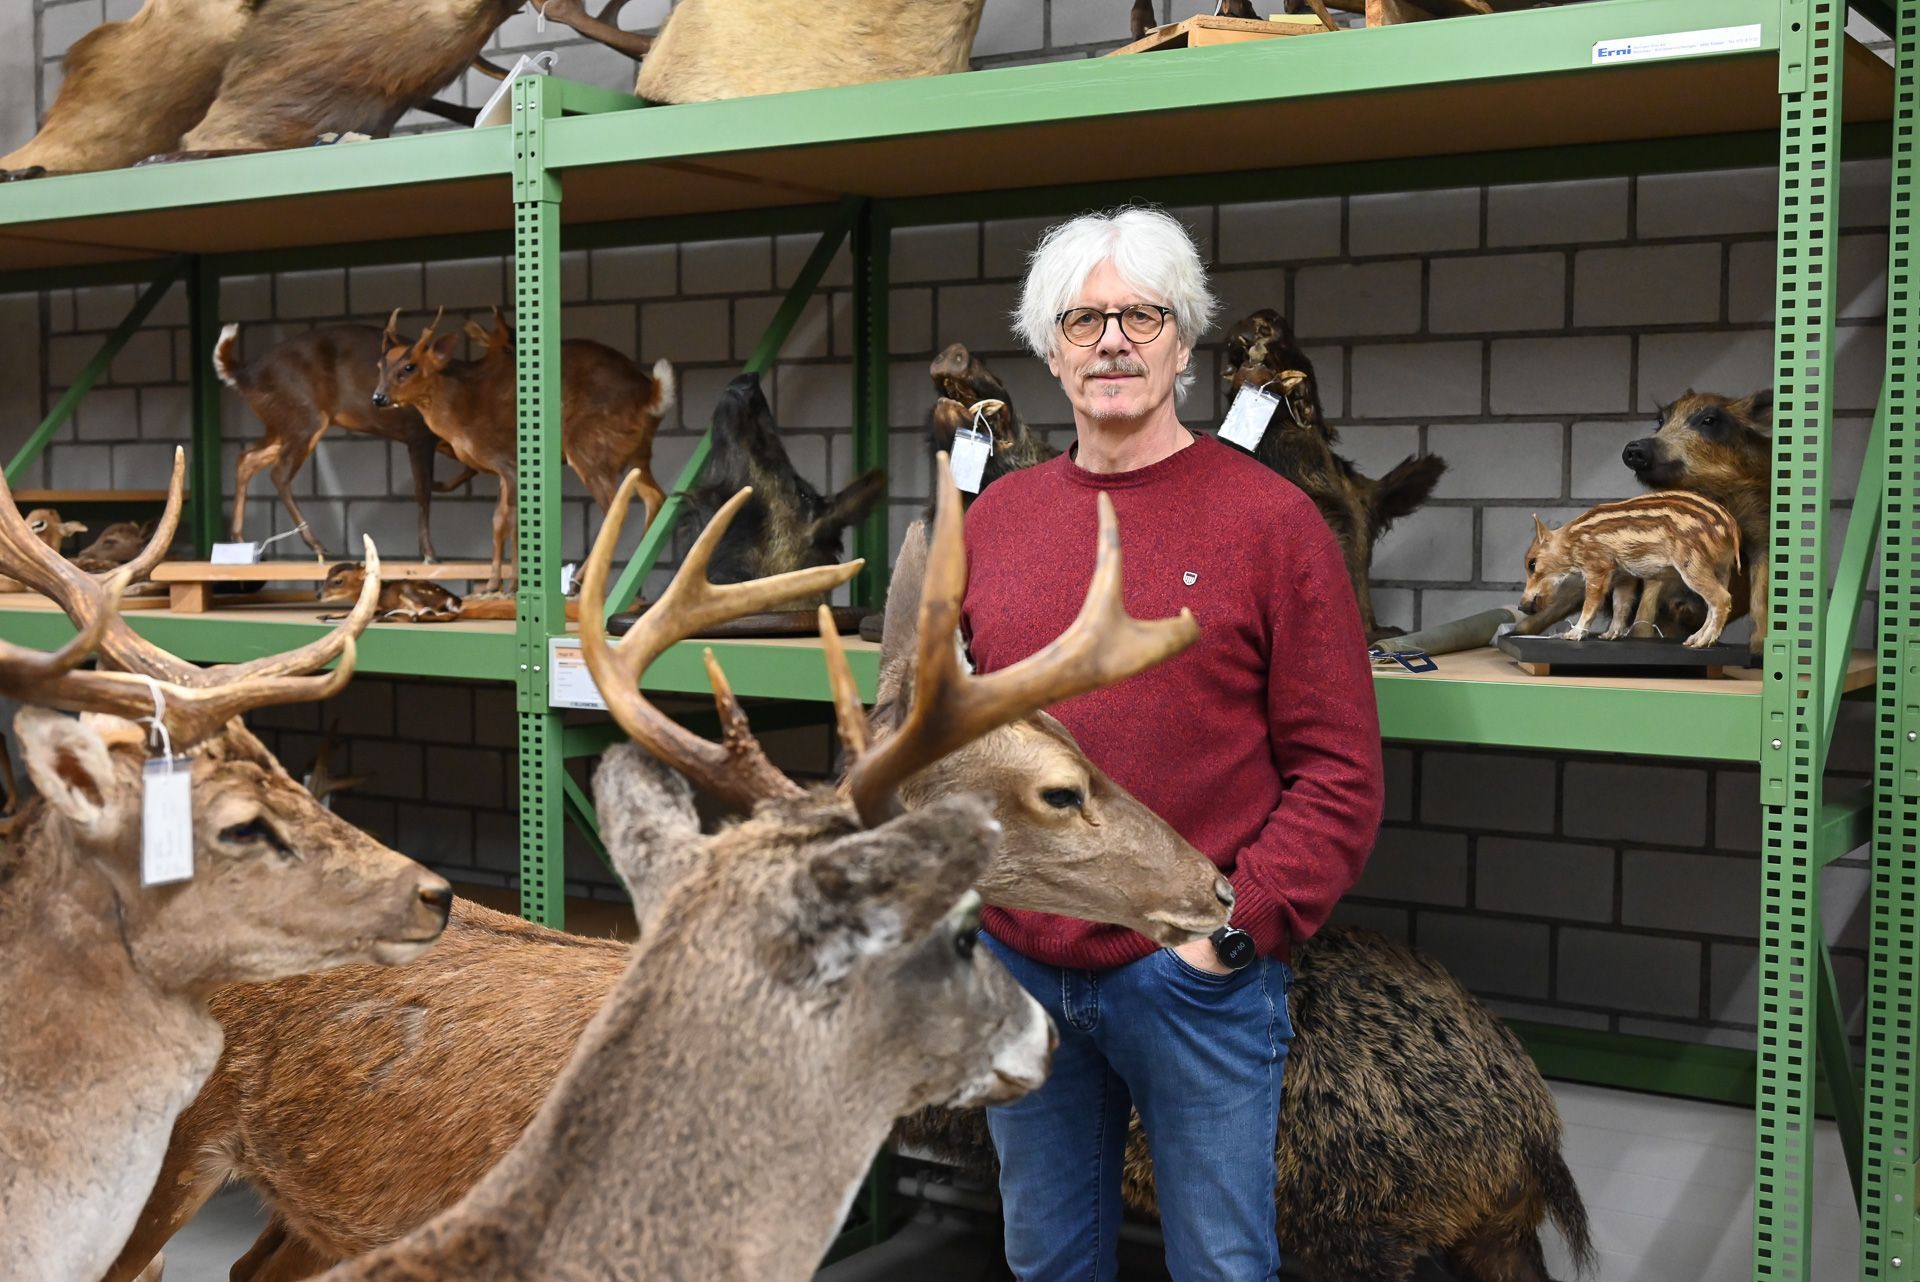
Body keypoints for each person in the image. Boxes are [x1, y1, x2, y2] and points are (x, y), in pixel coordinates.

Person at [958, 206, 1384, 1282]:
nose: (1112, 341)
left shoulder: (1272, 522)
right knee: (1047, 1263)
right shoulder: (996, 520)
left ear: (1184, 342)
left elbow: (1340, 772)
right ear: (1050, 349)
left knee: (1222, 1267)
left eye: (1141, 316)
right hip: (1020, 969)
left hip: (1190, 971)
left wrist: (1235, 932)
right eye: (1084, 320)